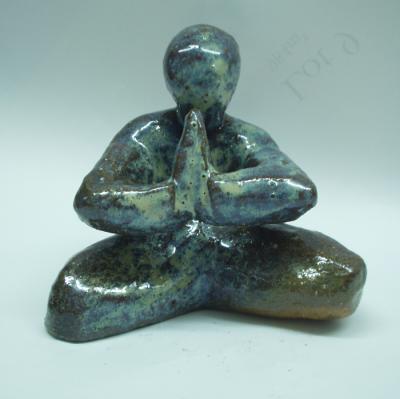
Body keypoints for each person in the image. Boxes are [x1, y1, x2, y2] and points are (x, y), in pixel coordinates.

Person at [46, 25, 365, 342]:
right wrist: (173, 198)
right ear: (172, 82)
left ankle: (213, 281)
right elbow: (92, 197)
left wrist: (215, 192)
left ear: (232, 85)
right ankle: (188, 283)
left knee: (342, 273)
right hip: (159, 250)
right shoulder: (146, 134)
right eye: (191, 85)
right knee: (73, 295)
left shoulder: (244, 137)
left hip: (237, 246)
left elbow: (299, 190)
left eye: (214, 86)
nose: (203, 98)